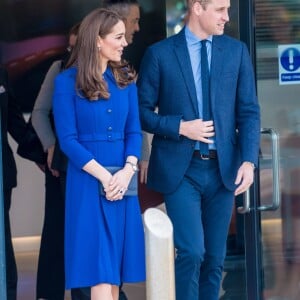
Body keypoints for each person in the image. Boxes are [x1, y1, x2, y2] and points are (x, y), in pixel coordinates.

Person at [137, 0, 260, 299]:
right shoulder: (160, 54)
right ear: (196, 7)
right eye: (220, 9)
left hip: (223, 170)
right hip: (182, 170)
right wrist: (180, 126)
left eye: (228, 10)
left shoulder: (236, 52)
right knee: (192, 252)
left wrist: (248, 161)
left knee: (215, 260)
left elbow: (248, 112)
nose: (227, 18)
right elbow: (140, 112)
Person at [52, 8, 145, 300]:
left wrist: (127, 171)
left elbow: (134, 132)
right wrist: (107, 177)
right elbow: (67, 140)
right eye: (118, 37)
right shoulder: (66, 82)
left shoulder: (126, 79)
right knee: (100, 271)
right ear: (97, 41)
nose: (124, 42)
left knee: (114, 273)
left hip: (123, 182)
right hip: (89, 183)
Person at [31, 24, 84, 300]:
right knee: (56, 229)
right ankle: (49, 294)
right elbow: (39, 112)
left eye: (78, 46)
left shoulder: (111, 69)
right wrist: (51, 145)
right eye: (70, 46)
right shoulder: (60, 69)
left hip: (95, 165)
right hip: (60, 164)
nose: (72, 52)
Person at [0, 65, 44, 300]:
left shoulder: (1, 73)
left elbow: (14, 119)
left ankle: (6, 294)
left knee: (2, 241)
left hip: (1, 176)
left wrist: (40, 153)